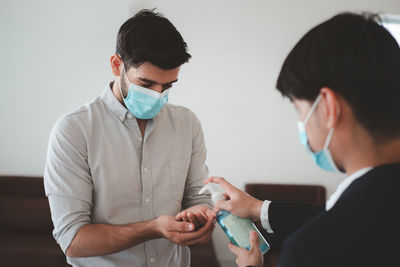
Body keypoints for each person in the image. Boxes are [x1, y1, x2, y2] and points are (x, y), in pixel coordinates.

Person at [206, 12, 400, 267]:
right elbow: (329, 214)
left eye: (300, 110)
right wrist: (258, 209)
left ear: (328, 107)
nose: (302, 124)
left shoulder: (311, 249)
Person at [44, 9, 215, 267]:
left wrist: (203, 218)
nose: (158, 95)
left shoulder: (187, 124)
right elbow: (73, 240)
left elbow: (198, 199)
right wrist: (154, 228)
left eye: (167, 87)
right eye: (146, 85)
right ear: (116, 65)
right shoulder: (74, 131)